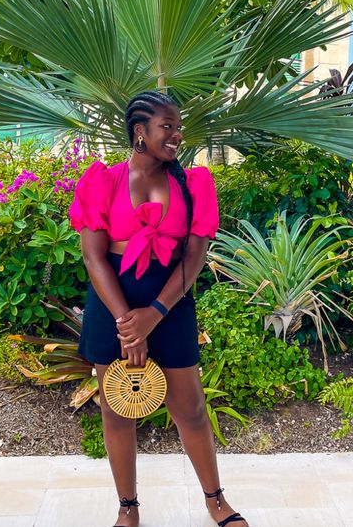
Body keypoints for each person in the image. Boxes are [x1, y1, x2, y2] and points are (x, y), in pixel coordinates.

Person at [69, 91, 248, 527]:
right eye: (167, 126)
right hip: (113, 301)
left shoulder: (193, 185)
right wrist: (127, 323)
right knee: (117, 409)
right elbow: (94, 257)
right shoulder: (103, 181)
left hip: (169, 300)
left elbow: (194, 257)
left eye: (178, 127)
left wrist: (154, 313)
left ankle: (215, 500)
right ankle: (127, 508)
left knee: (189, 408)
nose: (177, 135)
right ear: (140, 133)